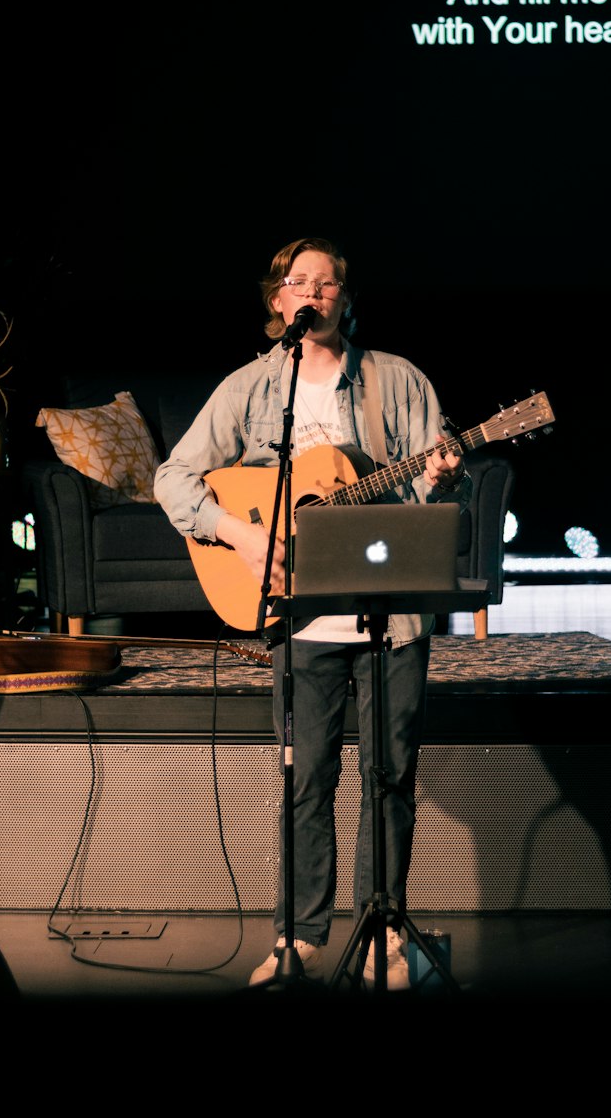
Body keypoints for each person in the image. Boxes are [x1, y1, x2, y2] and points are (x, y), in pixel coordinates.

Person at [153, 236, 470, 989]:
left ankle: (384, 933)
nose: (314, 293)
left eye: (328, 285)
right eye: (301, 282)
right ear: (278, 301)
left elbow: (427, 505)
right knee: (306, 779)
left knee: (389, 776)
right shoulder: (249, 389)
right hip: (296, 617)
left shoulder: (397, 380)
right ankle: (298, 938)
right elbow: (175, 478)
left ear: (345, 301)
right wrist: (242, 532)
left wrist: (441, 477)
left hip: (389, 614)